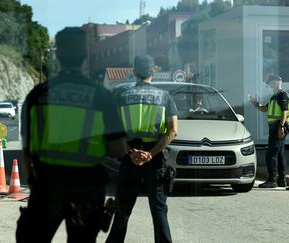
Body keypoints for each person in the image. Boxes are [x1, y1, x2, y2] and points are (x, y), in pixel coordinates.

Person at [16, 27, 127, 243]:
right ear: (85, 55)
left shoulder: (37, 95)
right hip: (87, 188)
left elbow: (27, 148)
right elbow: (119, 149)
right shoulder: (101, 97)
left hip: (48, 185)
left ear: (57, 54)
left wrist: (33, 182)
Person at [106, 55, 178, 243]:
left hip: (129, 159)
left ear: (133, 72)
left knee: (122, 210)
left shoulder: (120, 96)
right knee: (159, 211)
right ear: (154, 71)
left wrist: (132, 152)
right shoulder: (165, 97)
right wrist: (150, 153)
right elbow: (173, 131)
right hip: (155, 160)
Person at [248, 74, 289, 188]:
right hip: (276, 127)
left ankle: (272, 180)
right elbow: (264, 109)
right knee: (280, 154)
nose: (270, 86)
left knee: (271, 154)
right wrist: (254, 103)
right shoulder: (275, 96)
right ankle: (282, 180)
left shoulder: (282, 95)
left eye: (271, 83)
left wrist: (281, 126)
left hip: (279, 126)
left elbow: (285, 111)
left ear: (277, 82)